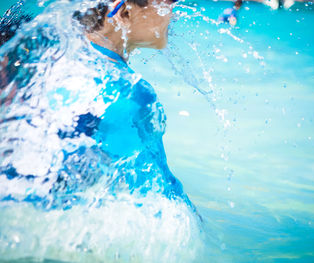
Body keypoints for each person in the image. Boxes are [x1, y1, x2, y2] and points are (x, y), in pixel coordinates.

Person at [0, 0, 195, 211]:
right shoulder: (129, 91)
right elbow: (160, 194)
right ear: (125, 11)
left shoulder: (39, 53)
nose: (174, 13)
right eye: (168, 2)